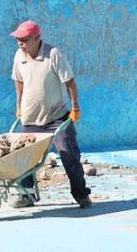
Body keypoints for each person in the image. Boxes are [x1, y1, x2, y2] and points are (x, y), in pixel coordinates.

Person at [9, 20, 91, 209]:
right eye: (18, 39)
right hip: (30, 118)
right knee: (25, 158)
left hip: (57, 117)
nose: (20, 43)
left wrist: (75, 107)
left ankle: (81, 195)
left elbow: (69, 81)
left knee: (69, 154)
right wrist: (19, 105)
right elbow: (18, 81)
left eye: (24, 39)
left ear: (36, 38)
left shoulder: (53, 54)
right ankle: (26, 196)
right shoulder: (18, 56)